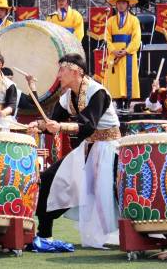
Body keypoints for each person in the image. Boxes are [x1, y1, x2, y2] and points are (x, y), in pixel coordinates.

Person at [28, 53, 121, 249]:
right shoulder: (67, 97)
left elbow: (88, 125)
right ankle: (44, 234)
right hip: (87, 148)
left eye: (62, 70)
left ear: (76, 71)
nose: (58, 75)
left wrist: (59, 126)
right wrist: (38, 125)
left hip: (109, 149)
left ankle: (142, 235)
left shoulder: (98, 92)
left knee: (118, 191)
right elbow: (52, 120)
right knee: (48, 180)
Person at [104, 0, 142, 101]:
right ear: (116, 4)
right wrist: (113, 50)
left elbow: (136, 39)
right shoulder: (110, 20)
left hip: (128, 54)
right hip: (114, 54)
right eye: (119, 2)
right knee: (115, 80)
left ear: (128, 4)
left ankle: (127, 102)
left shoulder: (134, 20)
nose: (121, 5)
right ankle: (117, 102)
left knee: (127, 79)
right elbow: (107, 38)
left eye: (123, 2)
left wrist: (126, 51)